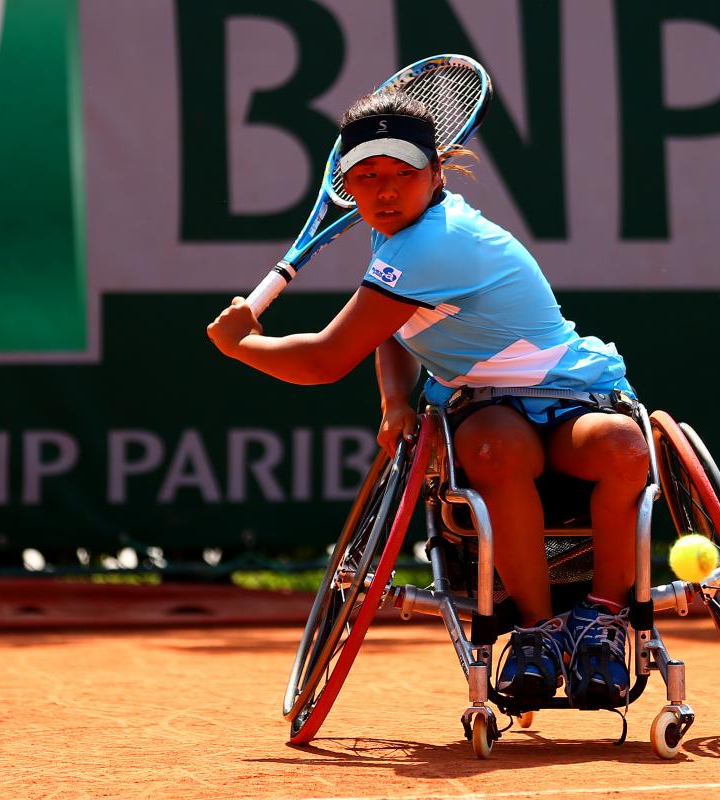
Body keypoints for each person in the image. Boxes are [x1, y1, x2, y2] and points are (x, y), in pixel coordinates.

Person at [207, 91, 649, 709]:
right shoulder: (399, 239)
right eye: (366, 177)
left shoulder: (432, 242)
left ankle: (603, 618)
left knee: (626, 448)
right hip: (484, 408)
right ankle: (537, 630)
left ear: (437, 174)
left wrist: (243, 347)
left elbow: (327, 359)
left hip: (574, 392)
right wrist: (395, 401)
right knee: (494, 451)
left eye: (401, 175)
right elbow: (392, 327)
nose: (384, 191)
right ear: (346, 184)